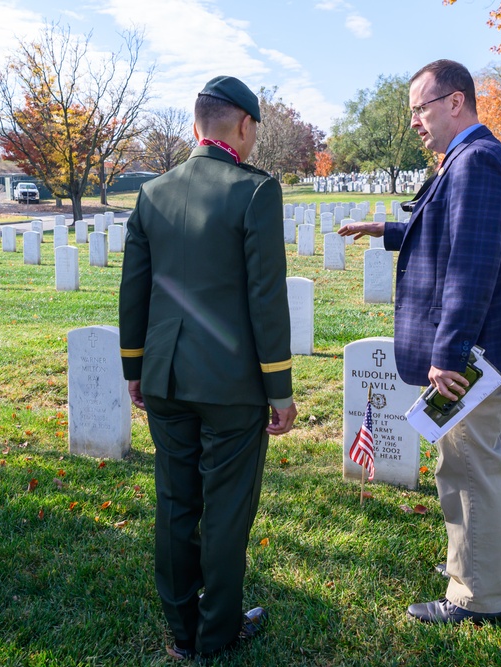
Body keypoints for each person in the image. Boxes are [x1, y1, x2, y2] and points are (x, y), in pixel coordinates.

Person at [339, 60, 501, 625]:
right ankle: (491, 569)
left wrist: (446, 354)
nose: (414, 123)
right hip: (492, 346)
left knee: (466, 466)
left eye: (420, 109)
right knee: (489, 463)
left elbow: (471, 266)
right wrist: (385, 231)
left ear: (456, 102)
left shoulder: (475, 161)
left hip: (473, 354)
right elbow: (450, 231)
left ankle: (474, 596)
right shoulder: (472, 157)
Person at [118, 75, 297, 659]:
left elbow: (134, 291)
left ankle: (180, 631)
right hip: (231, 383)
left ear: (196, 125)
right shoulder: (255, 191)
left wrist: (134, 367)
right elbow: (267, 298)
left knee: (175, 503)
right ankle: (216, 631)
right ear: (243, 126)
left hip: (166, 374)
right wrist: (279, 388)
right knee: (225, 509)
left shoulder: (153, 193)